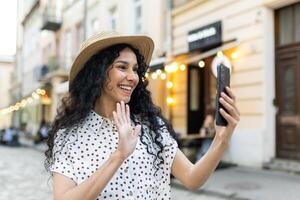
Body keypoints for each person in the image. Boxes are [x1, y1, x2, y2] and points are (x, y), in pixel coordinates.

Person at [45, 31, 240, 200]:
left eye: (135, 69)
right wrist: (119, 155)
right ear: (97, 73)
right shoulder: (70, 136)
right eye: (122, 67)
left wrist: (222, 138)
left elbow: (192, 178)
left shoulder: (149, 127)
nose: (132, 77)